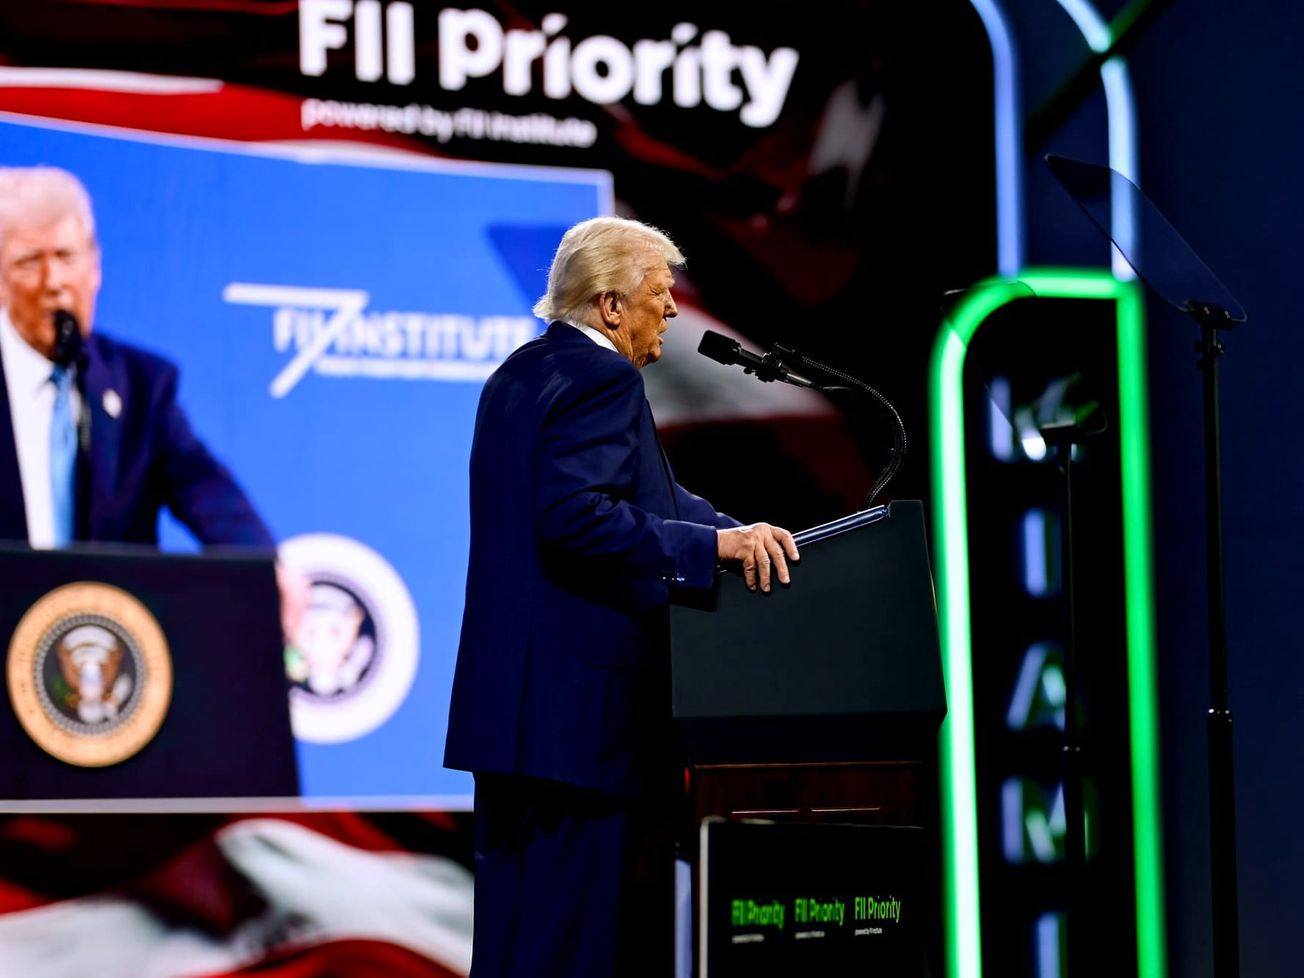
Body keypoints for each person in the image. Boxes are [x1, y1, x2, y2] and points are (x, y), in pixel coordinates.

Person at [444, 216, 799, 978]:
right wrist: (712, 551)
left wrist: (736, 534)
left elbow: (650, 498)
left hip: (513, 728)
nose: (670, 309)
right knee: (568, 955)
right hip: (578, 732)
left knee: (511, 951)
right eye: (659, 292)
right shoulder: (604, 379)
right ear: (609, 304)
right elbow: (575, 514)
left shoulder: (518, 375)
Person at [0, 165, 272, 550]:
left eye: (66, 257)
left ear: (95, 268)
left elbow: (206, 491)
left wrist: (266, 569)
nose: (54, 282)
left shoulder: (142, 386)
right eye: (29, 262)